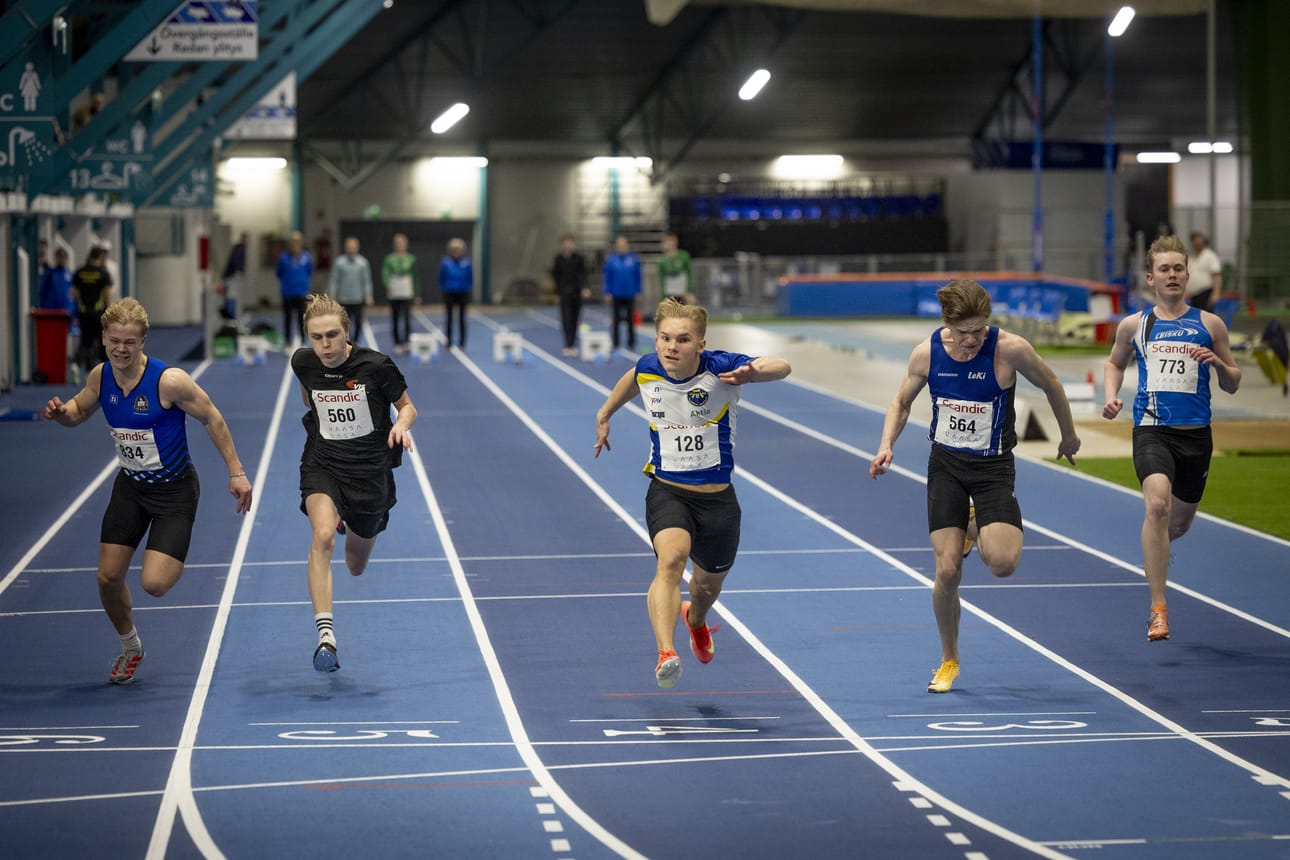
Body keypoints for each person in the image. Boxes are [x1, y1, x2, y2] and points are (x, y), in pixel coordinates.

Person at [868, 279, 1081, 694]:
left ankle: (973, 524)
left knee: (1003, 564)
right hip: (946, 466)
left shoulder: (1010, 349)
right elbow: (901, 401)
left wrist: (1068, 435)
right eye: (963, 332)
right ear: (947, 324)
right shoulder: (927, 353)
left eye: (979, 330)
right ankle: (949, 659)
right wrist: (886, 444)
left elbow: (1052, 383)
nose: (972, 339)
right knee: (948, 570)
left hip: (993, 469)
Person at [42, 298, 254, 684]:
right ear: (103, 338)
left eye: (130, 342)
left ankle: (173, 544)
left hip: (175, 492)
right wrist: (62, 414)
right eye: (114, 341)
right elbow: (79, 411)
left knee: (154, 584)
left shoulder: (168, 381)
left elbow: (212, 417)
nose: (121, 349)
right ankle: (131, 646)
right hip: (131, 488)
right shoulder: (100, 376)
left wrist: (236, 472)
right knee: (107, 578)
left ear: (143, 341)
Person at [594, 298, 791, 689]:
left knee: (705, 588)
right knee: (671, 560)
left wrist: (754, 371)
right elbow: (632, 377)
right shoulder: (650, 367)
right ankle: (666, 653)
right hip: (668, 491)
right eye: (665, 338)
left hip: (718, 502)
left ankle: (695, 619)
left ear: (700, 344)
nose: (672, 347)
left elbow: (782, 366)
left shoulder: (720, 368)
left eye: (683, 340)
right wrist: (605, 414)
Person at [1102, 234, 1241, 642]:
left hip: (1196, 437)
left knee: (1177, 524)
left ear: (1187, 273)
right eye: (1164, 269)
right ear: (1151, 278)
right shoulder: (1135, 325)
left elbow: (1233, 382)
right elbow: (1114, 363)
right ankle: (1158, 609)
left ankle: (1158, 549)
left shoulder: (1210, 324)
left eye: (1179, 268)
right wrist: (1110, 396)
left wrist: (1218, 364)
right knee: (1158, 504)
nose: (1173, 274)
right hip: (1152, 431)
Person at [291, 293, 417, 672]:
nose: (325, 345)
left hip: (369, 474)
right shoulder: (303, 363)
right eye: (316, 337)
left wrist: (400, 425)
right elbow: (309, 400)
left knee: (354, 565)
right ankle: (326, 637)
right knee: (323, 536)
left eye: (332, 335)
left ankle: (349, 518)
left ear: (347, 332)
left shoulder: (376, 366)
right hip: (323, 464)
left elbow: (408, 406)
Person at [71, 246, 114, 375]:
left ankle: (77, 365)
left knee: (85, 341)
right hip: (99, 313)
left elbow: (73, 293)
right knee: (102, 341)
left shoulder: (80, 272)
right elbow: (107, 295)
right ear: (101, 257)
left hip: (83, 313)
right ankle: (105, 370)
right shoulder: (103, 273)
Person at [328, 235, 373, 343]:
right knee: (342, 324)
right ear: (345, 247)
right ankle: (345, 341)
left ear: (357, 247)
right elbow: (334, 280)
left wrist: (368, 295)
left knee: (358, 322)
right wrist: (332, 295)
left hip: (358, 299)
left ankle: (355, 342)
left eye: (353, 247)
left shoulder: (363, 263)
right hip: (343, 299)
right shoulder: (339, 262)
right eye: (349, 247)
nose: (351, 249)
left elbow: (367, 281)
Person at [603, 235, 642, 351]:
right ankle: (615, 342)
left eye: (623, 245)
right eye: (619, 245)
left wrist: (638, 290)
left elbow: (638, 276)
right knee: (616, 319)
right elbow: (607, 277)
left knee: (630, 319)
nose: (621, 247)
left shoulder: (633, 259)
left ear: (627, 246)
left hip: (630, 293)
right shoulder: (611, 260)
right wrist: (607, 291)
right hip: (616, 294)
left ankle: (631, 342)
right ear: (616, 246)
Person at [551, 233, 589, 356]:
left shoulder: (579, 258)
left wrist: (584, 288)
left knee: (575, 319)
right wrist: (556, 293)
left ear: (573, 244)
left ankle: (572, 343)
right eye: (566, 242)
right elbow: (556, 277)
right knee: (566, 319)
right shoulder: (558, 259)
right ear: (562, 244)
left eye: (571, 243)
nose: (568, 245)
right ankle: (568, 344)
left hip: (576, 293)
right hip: (564, 293)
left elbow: (583, 274)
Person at [276, 231, 313, 348]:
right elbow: (279, 273)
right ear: (290, 244)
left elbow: (309, 271)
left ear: (301, 243)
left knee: (301, 318)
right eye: (293, 242)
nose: (295, 245)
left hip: (301, 292)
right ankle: (287, 342)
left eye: (297, 242)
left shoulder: (306, 257)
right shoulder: (283, 258)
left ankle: (303, 340)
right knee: (287, 319)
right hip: (287, 293)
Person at [383, 233, 418, 355]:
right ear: (394, 244)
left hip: (407, 291)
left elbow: (416, 277)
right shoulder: (389, 259)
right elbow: (385, 273)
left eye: (402, 243)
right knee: (395, 318)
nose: (400, 245)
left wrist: (417, 294)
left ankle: (407, 341)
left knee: (408, 318)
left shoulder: (411, 259)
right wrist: (387, 284)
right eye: (398, 243)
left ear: (406, 244)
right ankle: (397, 343)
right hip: (394, 291)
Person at [439, 238, 472, 348]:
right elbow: (442, 277)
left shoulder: (467, 263)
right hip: (449, 292)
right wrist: (445, 287)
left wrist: (467, 287)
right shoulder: (446, 263)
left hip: (463, 292)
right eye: (454, 249)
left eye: (459, 249)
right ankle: (449, 340)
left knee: (462, 318)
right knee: (449, 318)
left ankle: (462, 342)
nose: (456, 251)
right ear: (451, 250)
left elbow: (470, 277)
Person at [1185, 232, 1222, 312]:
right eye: (1194, 240)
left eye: (1198, 240)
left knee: (1206, 316)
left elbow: (1216, 275)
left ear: (1203, 241)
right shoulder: (1191, 257)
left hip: (1206, 294)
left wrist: (1216, 293)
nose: (1196, 242)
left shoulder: (1210, 255)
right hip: (1193, 296)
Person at [219, 231, 249, 320]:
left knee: (231, 295)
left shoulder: (239, 247)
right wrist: (239, 270)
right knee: (232, 295)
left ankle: (231, 315)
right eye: (247, 239)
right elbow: (236, 259)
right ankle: (231, 315)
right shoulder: (240, 248)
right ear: (243, 239)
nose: (248, 241)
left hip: (230, 275)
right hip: (232, 276)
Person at [658, 231, 694, 305]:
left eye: (670, 240)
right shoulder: (662, 260)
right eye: (665, 241)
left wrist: (690, 290)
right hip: (669, 294)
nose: (668, 243)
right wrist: (662, 296)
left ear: (675, 241)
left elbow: (690, 274)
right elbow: (661, 279)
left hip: (683, 294)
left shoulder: (684, 256)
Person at [39, 246, 74, 313]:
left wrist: (74, 310)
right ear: (56, 258)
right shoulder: (50, 274)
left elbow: (74, 294)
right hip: (52, 310)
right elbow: (43, 291)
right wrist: (43, 307)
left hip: (67, 310)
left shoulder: (70, 275)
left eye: (63, 257)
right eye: (59, 257)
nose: (61, 259)